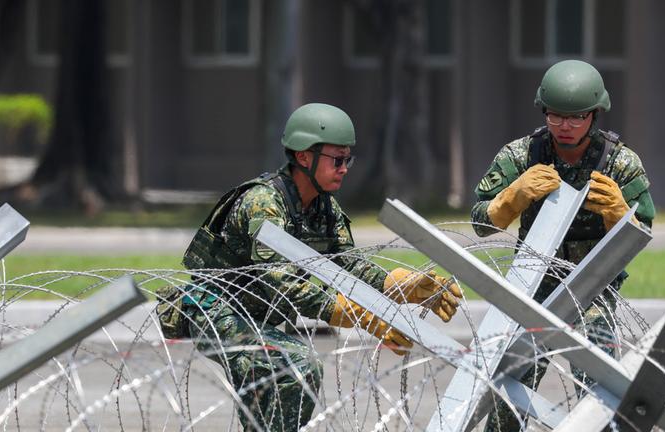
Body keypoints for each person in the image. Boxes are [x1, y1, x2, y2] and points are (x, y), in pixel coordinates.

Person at [182, 103, 463, 431]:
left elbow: (348, 266)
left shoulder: (323, 207)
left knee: (270, 411)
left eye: (348, 160)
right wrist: (357, 315)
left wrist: (401, 284)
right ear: (303, 156)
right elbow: (281, 282)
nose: (345, 168)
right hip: (219, 313)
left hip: (264, 319)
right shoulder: (263, 204)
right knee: (299, 366)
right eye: (337, 160)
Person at [470, 60, 655, 431]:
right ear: (544, 112)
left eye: (576, 118)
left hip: (592, 290)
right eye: (556, 117)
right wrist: (511, 198)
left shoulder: (620, 162)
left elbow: (644, 230)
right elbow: (479, 222)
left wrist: (621, 216)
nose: (565, 127)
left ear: (594, 115)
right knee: (511, 389)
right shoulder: (522, 154)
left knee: (598, 396)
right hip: (533, 287)